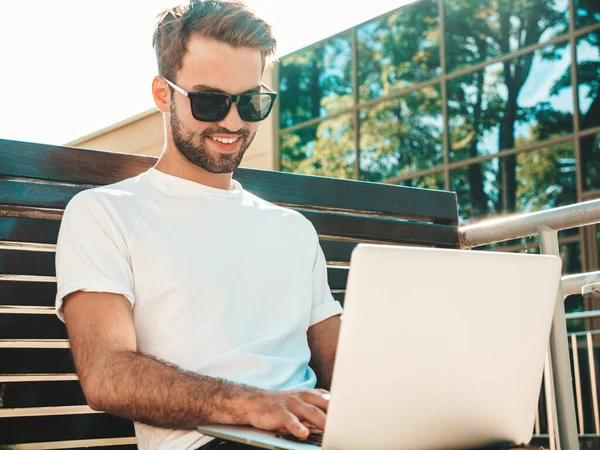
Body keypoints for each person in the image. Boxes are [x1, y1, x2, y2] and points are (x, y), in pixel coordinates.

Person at [54, 2, 343, 449]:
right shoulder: (105, 213)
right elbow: (106, 374)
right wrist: (255, 405)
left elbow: (346, 367)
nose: (233, 121)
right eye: (210, 101)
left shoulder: (293, 229)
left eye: (251, 103)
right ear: (162, 94)